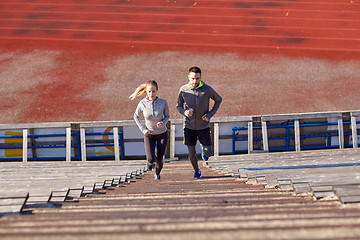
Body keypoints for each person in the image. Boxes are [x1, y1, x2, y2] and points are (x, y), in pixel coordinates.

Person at [176, 66, 222, 178]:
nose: (195, 81)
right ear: (188, 77)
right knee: (191, 153)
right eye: (192, 78)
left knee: (208, 153)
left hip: (204, 127)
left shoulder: (207, 89)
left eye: (197, 78)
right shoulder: (183, 89)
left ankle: (203, 150)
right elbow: (178, 106)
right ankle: (197, 171)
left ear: (200, 77)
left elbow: (218, 99)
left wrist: (210, 115)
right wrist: (185, 112)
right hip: (188, 127)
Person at [130, 80, 169, 180]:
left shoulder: (163, 102)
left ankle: (157, 173)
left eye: (153, 91)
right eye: (149, 91)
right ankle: (150, 163)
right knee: (151, 158)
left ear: (157, 90)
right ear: (146, 91)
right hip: (149, 134)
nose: (151, 94)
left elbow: (167, 116)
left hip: (162, 133)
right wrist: (143, 129)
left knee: (160, 158)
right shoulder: (142, 103)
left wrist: (163, 122)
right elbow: (136, 116)